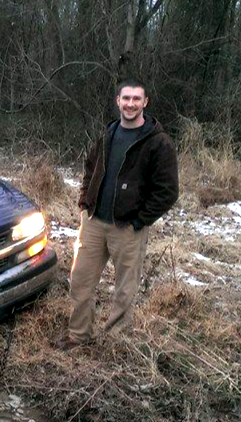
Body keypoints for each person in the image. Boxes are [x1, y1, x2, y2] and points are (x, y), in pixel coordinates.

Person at [56, 78, 179, 350]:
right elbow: (90, 167)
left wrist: (140, 220)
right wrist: (85, 201)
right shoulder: (109, 133)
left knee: (125, 289)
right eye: (126, 98)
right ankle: (79, 335)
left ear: (145, 102)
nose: (131, 104)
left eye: (137, 99)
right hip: (94, 222)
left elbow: (168, 191)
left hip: (128, 228)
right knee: (80, 280)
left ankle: (115, 342)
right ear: (118, 101)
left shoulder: (158, 143)